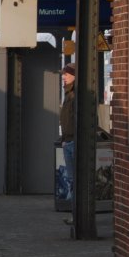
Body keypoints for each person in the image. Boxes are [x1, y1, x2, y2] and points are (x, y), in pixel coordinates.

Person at [59, 62, 76, 213]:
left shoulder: (75, 95)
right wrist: (64, 140)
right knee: (71, 179)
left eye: (67, 74)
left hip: (74, 142)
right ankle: (73, 212)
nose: (63, 77)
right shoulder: (68, 94)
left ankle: (77, 213)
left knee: (75, 179)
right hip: (68, 142)